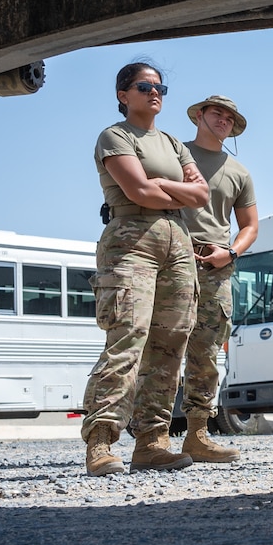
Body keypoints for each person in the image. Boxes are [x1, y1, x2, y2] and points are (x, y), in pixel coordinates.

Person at [83, 61, 208, 476]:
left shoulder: (173, 143)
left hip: (178, 243)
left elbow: (202, 194)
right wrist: (177, 191)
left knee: (170, 343)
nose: (155, 93)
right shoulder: (114, 136)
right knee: (128, 337)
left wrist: (164, 189)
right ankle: (101, 442)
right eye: (143, 86)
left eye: (160, 87)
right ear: (123, 95)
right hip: (131, 241)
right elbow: (137, 190)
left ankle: (153, 442)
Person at [178, 94, 259, 463]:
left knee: (206, 354)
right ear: (199, 115)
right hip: (174, 256)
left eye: (229, 116)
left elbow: (250, 226)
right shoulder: (174, 154)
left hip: (216, 265)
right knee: (161, 349)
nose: (223, 119)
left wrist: (231, 252)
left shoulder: (238, 172)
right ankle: (153, 436)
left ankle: (197, 435)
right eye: (217, 113)